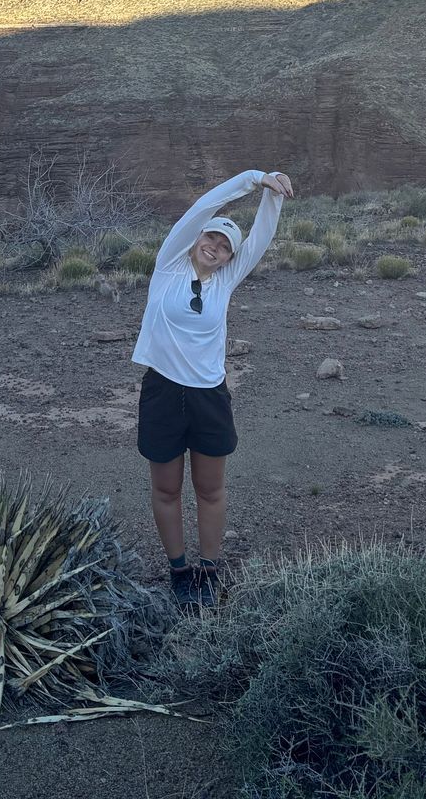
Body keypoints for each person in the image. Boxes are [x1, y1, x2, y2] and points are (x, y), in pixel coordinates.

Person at [131, 167, 294, 604]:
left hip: (209, 396)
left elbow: (260, 236)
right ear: (198, 239)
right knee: (166, 488)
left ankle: (208, 570)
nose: (216, 248)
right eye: (211, 240)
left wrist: (273, 195)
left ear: (229, 257)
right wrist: (254, 177)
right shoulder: (168, 264)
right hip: (163, 392)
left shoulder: (226, 280)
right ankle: (179, 571)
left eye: (225, 247)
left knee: (210, 489)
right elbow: (205, 208)